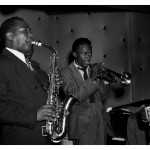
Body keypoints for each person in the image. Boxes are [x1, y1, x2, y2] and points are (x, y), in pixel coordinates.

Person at [0, 16, 61, 145]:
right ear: (10, 35)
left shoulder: (34, 65)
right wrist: (34, 115)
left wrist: (53, 85)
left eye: (30, 31)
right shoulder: (2, 64)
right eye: (25, 31)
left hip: (45, 137)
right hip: (22, 139)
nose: (31, 35)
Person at [60, 37, 115, 145]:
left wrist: (106, 81)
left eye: (90, 53)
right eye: (84, 54)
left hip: (100, 119)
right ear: (75, 54)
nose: (88, 57)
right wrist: (92, 79)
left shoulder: (93, 70)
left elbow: (102, 98)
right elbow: (75, 96)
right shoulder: (65, 73)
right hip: (82, 123)